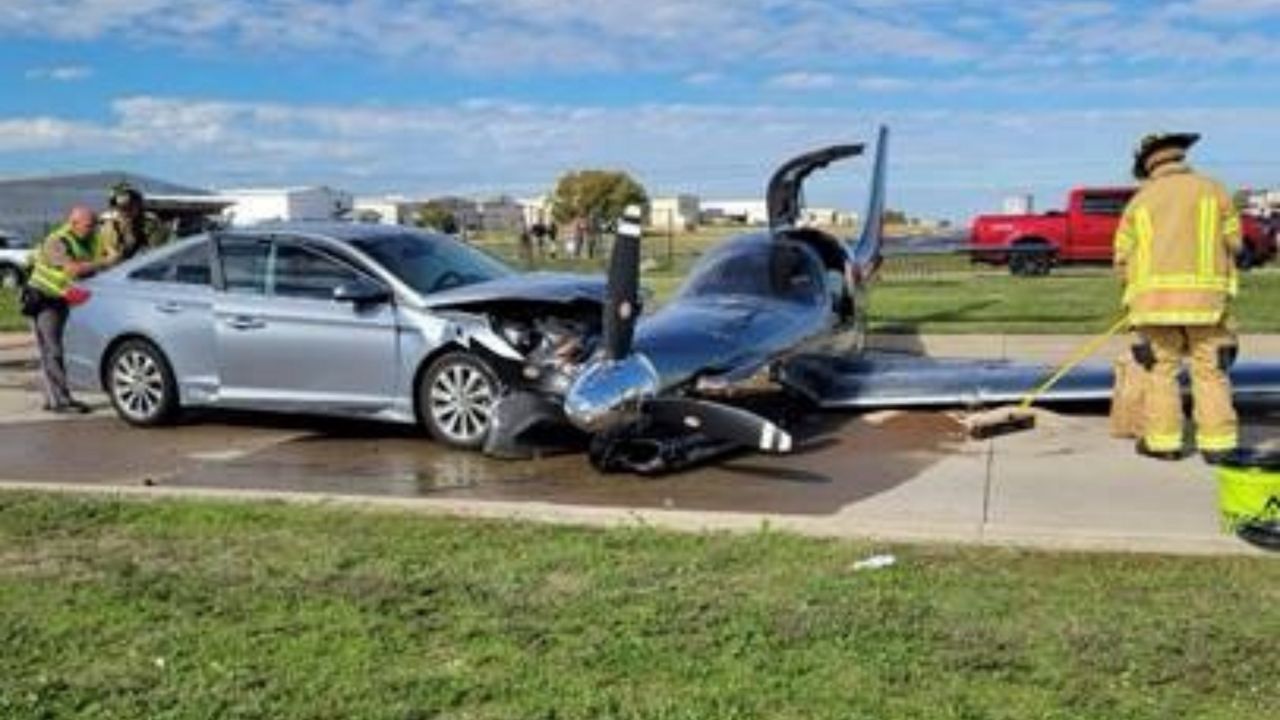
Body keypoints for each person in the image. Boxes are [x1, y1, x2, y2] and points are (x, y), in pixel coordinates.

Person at [1114, 132, 1242, 464]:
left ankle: (1164, 443)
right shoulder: (1213, 190)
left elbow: (1122, 258)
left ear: (1148, 166)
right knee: (1210, 370)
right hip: (1206, 304)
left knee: (1162, 371)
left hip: (1153, 306)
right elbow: (1236, 243)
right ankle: (1218, 446)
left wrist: (1131, 298)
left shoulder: (1139, 202)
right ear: (1180, 157)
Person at [26, 206, 107, 413]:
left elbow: (89, 267)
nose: (92, 230)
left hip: (63, 299)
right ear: (74, 223)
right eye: (89, 226)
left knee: (56, 349)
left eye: (94, 225)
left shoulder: (87, 240)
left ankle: (52, 397)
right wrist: (106, 262)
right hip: (44, 299)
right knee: (52, 350)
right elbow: (73, 269)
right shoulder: (57, 241)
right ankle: (60, 401)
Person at [96, 181, 169, 266]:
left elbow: (159, 251)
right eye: (121, 207)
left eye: (130, 206)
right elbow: (110, 255)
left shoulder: (149, 222)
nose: (126, 211)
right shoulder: (109, 223)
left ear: (138, 204)